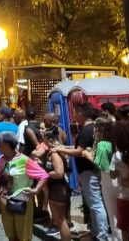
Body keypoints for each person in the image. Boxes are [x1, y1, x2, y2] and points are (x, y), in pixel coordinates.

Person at [52, 102, 109, 241]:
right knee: (95, 202)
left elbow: (79, 151)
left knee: (95, 203)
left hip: (88, 170)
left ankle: (101, 235)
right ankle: (96, 231)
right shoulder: (92, 127)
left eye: (75, 113)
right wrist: (63, 148)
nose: (74, 116)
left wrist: (59, 149)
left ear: (81, 114)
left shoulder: (86, 130)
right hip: (93, 169)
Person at [0, 131, 49, 241]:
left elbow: (43, 175)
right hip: (5, 199)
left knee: (22, 232)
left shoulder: (24, 160)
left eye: (0, 144)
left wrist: (36, 190)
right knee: (10, 232)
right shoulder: (2, 158)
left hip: (21, 200)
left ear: (8, 145)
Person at [42, 126, 71, 241]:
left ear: (48, 139)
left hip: (57, 188)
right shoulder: (59, 150)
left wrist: (45, 174)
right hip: (57, 188)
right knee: (60, 219)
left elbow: (59, 173)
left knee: (60, 219)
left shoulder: (55, 153)